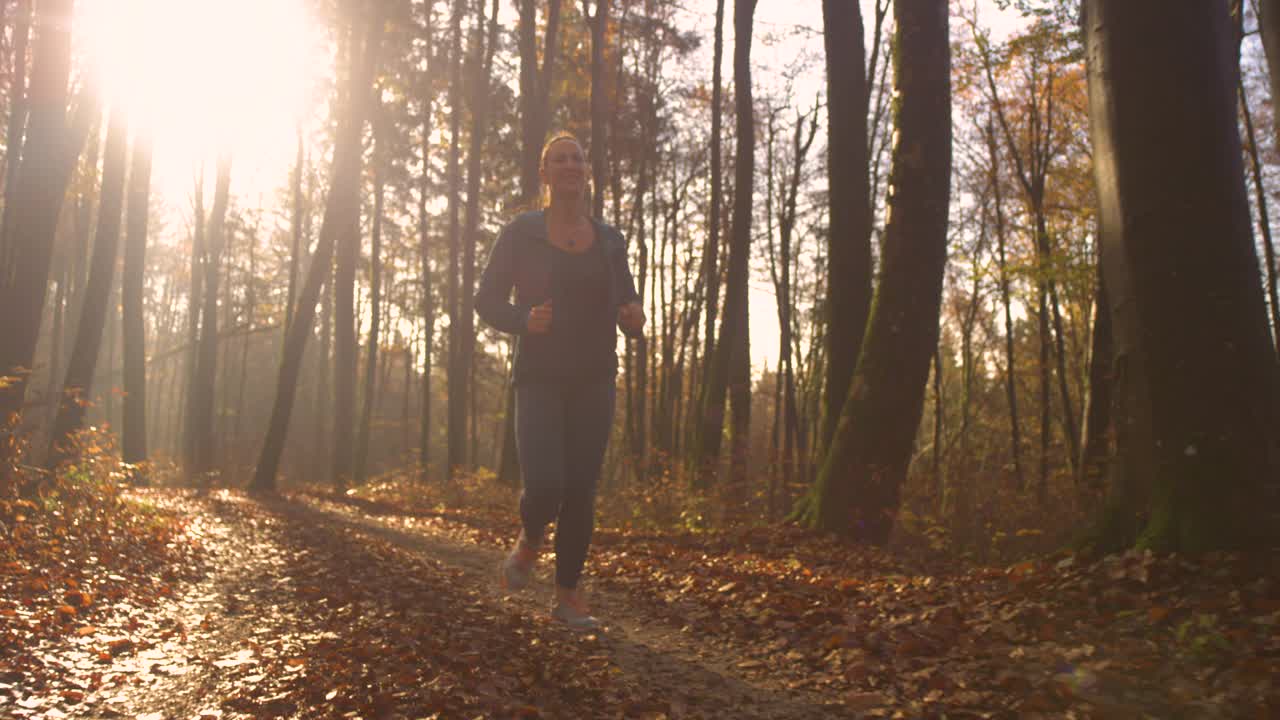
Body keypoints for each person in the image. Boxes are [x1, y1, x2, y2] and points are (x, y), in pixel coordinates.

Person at [474, 133, 645, 629]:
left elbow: (626, 305)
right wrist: (525, 320)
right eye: (559, 159)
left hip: (595, 377)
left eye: (578, 158)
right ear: (543, 173)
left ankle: (567, 597)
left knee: (582, 488)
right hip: (540, 378)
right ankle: (530, 539)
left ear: (587, 172)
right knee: (546, 484)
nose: (570, 165)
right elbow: (486, 301)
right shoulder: (521, 233)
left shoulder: (610, 241)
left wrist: (633, 319)